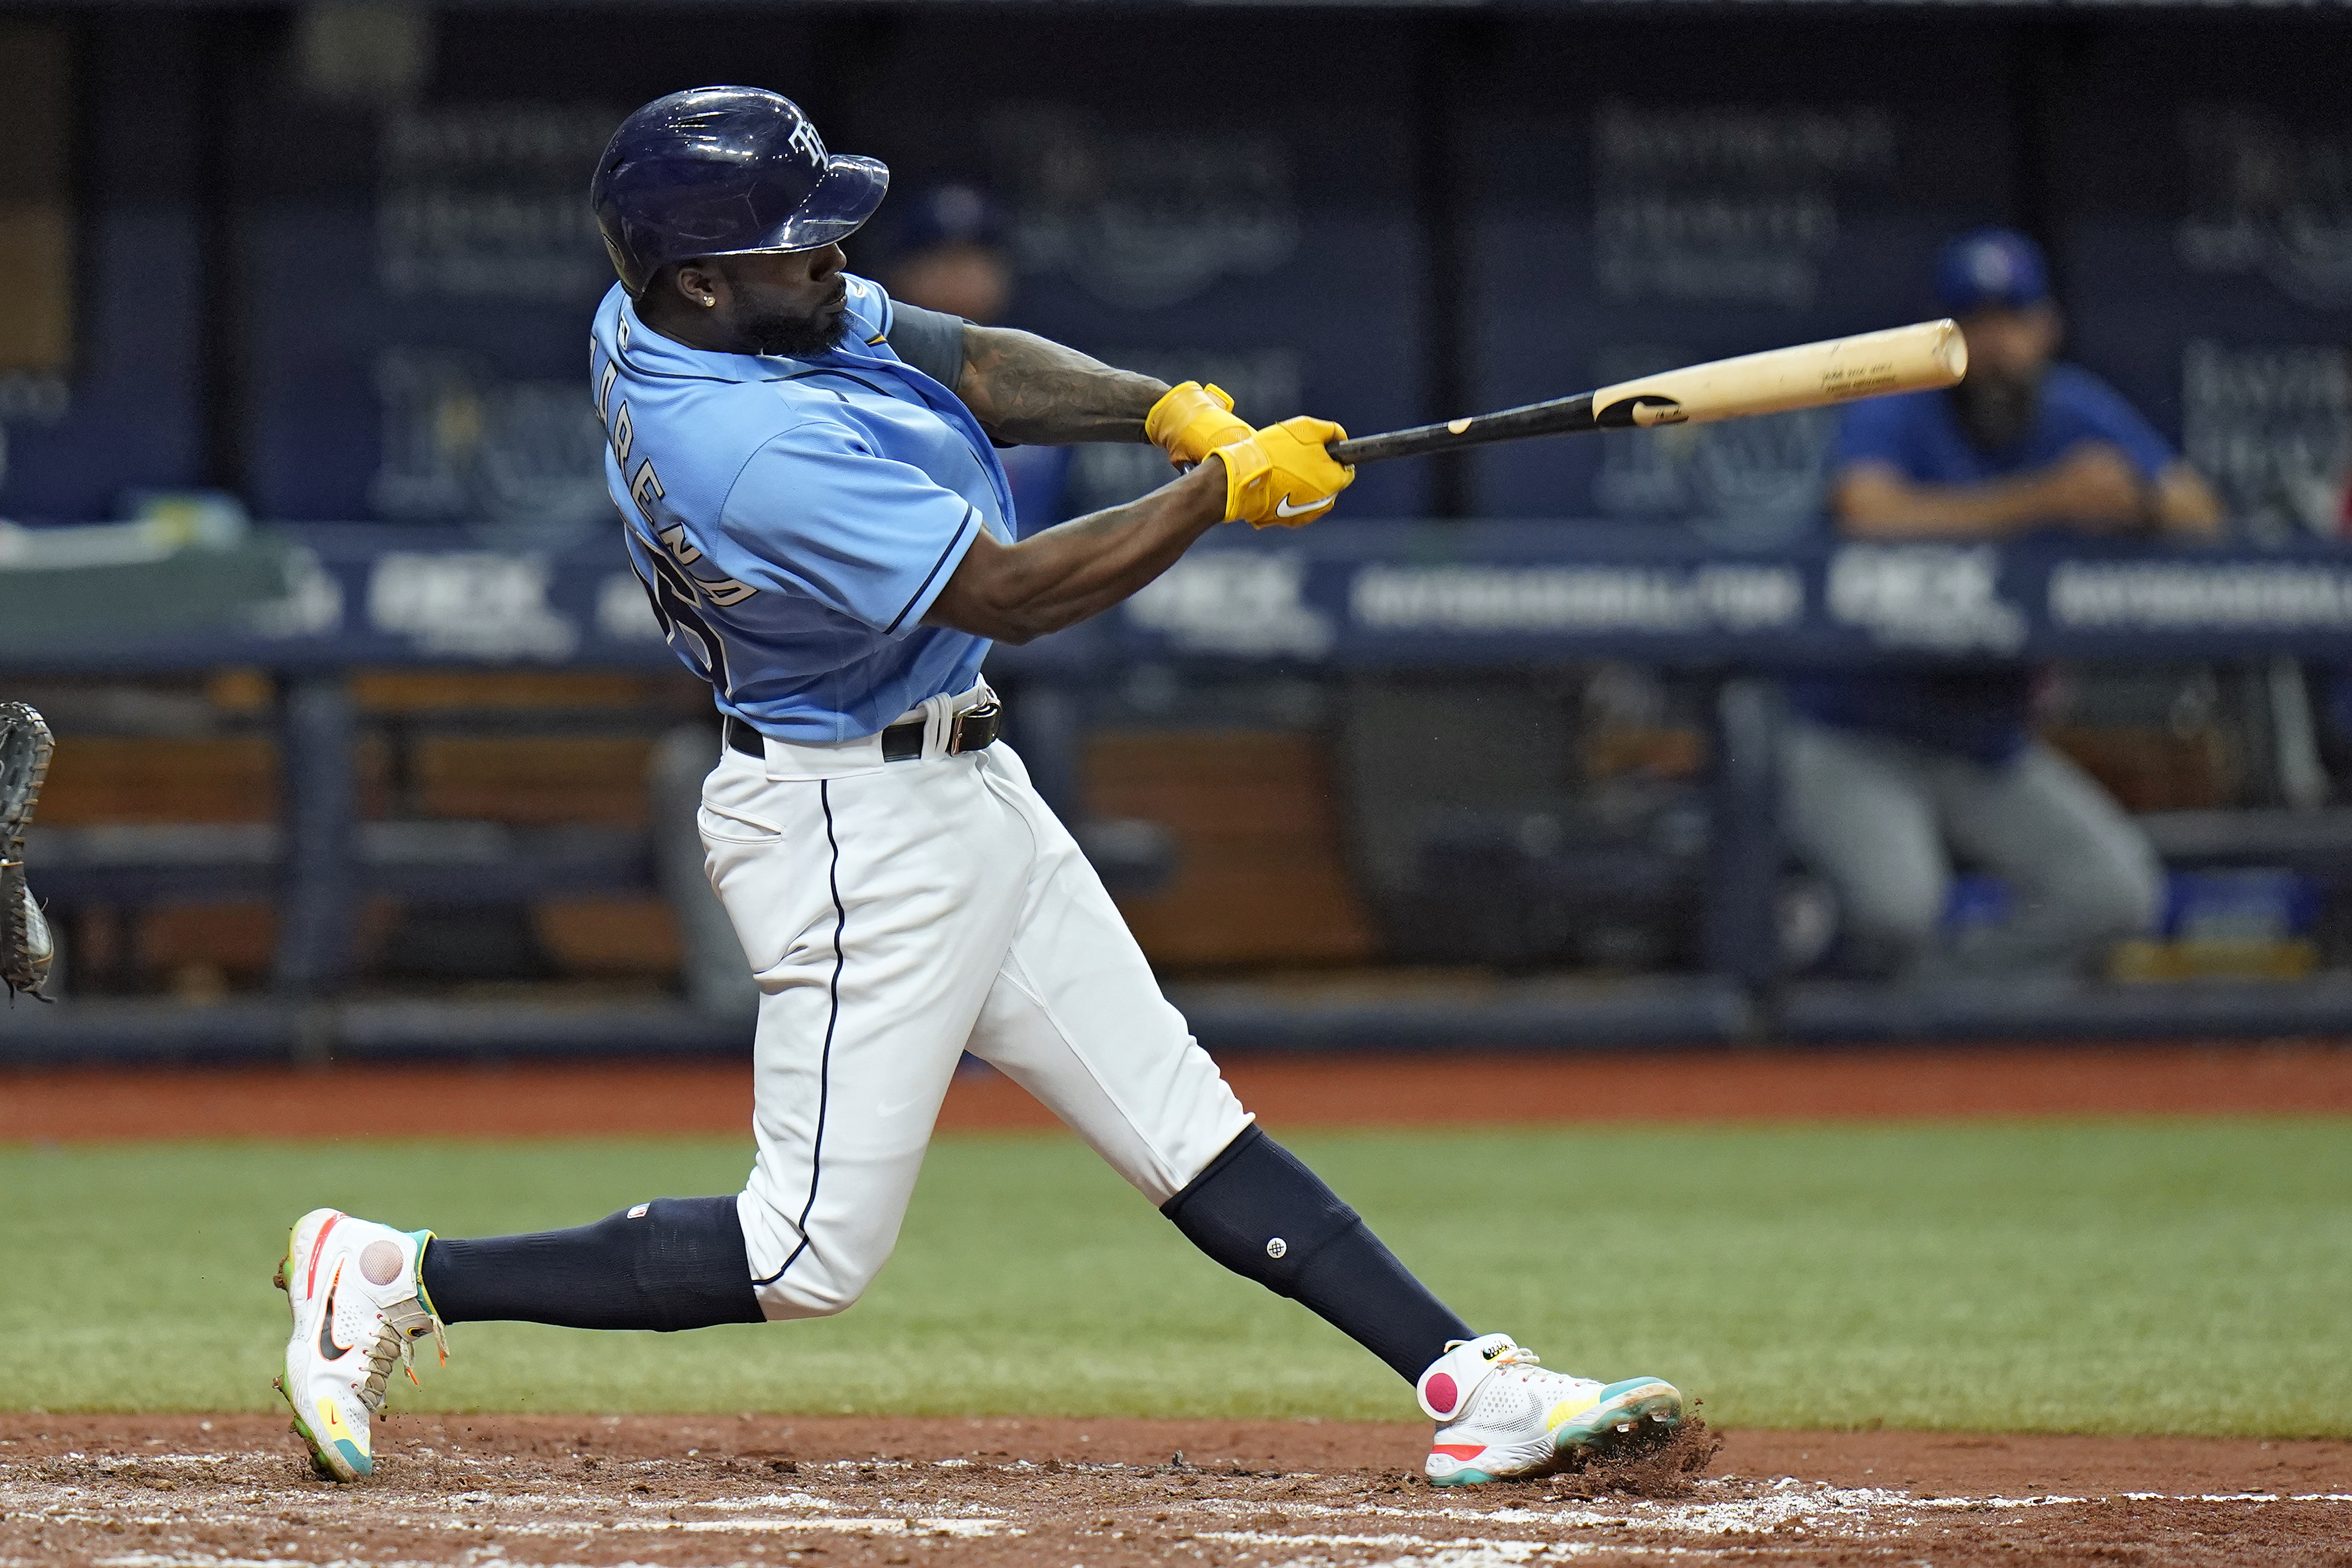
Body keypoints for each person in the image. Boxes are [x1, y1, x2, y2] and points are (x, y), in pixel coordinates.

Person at [271, 87, 1682, 1490]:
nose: (835, 261)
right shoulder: (744, 451)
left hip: (959, 783)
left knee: (1183, 1121)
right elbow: (1010, 593)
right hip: (847, 824)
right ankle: (392, 1272)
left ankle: (1473, 1381)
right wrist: (1219, 498)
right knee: (799, 1256)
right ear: (702, 278)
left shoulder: (683, 305)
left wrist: (1171, 418)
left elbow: (969, 360)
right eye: (798, 243)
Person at [1782, 227, 2224, 980]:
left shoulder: (2075, 409)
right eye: (1974, 325)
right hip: (1853, 732)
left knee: (2117, 895)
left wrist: (2138, 504)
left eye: (2012, 322)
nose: (1996, 346)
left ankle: (1945, 1007)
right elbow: (1867, 512)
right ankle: (1833, 1032)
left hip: (1984, 739)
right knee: (1897, 909)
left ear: (2045, 328)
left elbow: (2200, 515)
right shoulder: (1901, 404)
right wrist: (2045, 501)